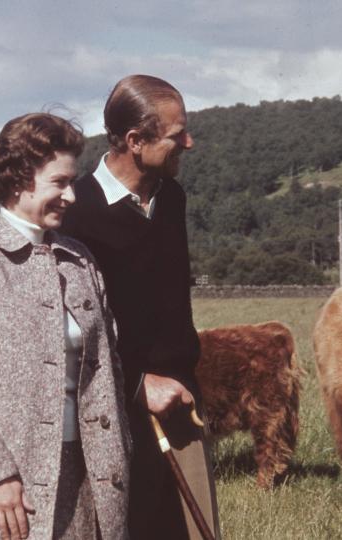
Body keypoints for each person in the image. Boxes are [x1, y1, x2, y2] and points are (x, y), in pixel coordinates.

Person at [0, 113, 131, 540]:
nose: (71, 195)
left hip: (87, 479)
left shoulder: (81, 262)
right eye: (59, 182)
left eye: (71, 182)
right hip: (6, 494)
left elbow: (110, 365)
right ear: (19, 178)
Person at [61, 75, 220, 539]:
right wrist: (136, 383)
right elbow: (75, 328)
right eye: (176, 134)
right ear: (135, 140)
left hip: (180, 402)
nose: (188, 143)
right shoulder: (76, 213)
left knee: (191, 529)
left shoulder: (172, 198)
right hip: (111, 408)